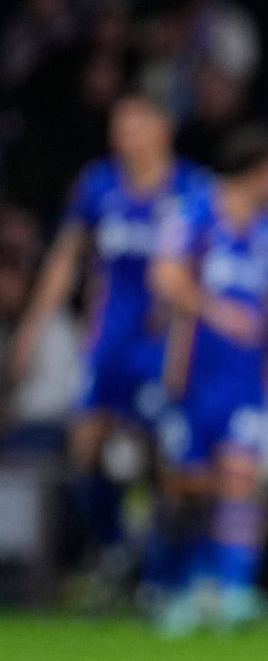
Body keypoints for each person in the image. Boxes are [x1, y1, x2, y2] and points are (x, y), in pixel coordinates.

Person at [9, 95, 212, 597]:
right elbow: (67, 259)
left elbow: (214, 265)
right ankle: (115, 546)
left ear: (162, 129)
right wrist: (32, 326)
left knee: (164, 457)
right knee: (86, 446)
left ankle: (164, 570)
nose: (123, 137)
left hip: (164, 343)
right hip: (109, 340)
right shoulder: (98, 185)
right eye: (118, 127)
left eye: (135, 125)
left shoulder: (192, 190)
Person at [147, 127, 268, 635]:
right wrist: (217, 312)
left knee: (241, 477)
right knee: (190, 486)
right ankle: (187, 585)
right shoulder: (194, 214)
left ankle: (235, 590)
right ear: (257, 171)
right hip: (193, 372)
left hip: (246, 379)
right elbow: (165, 276)